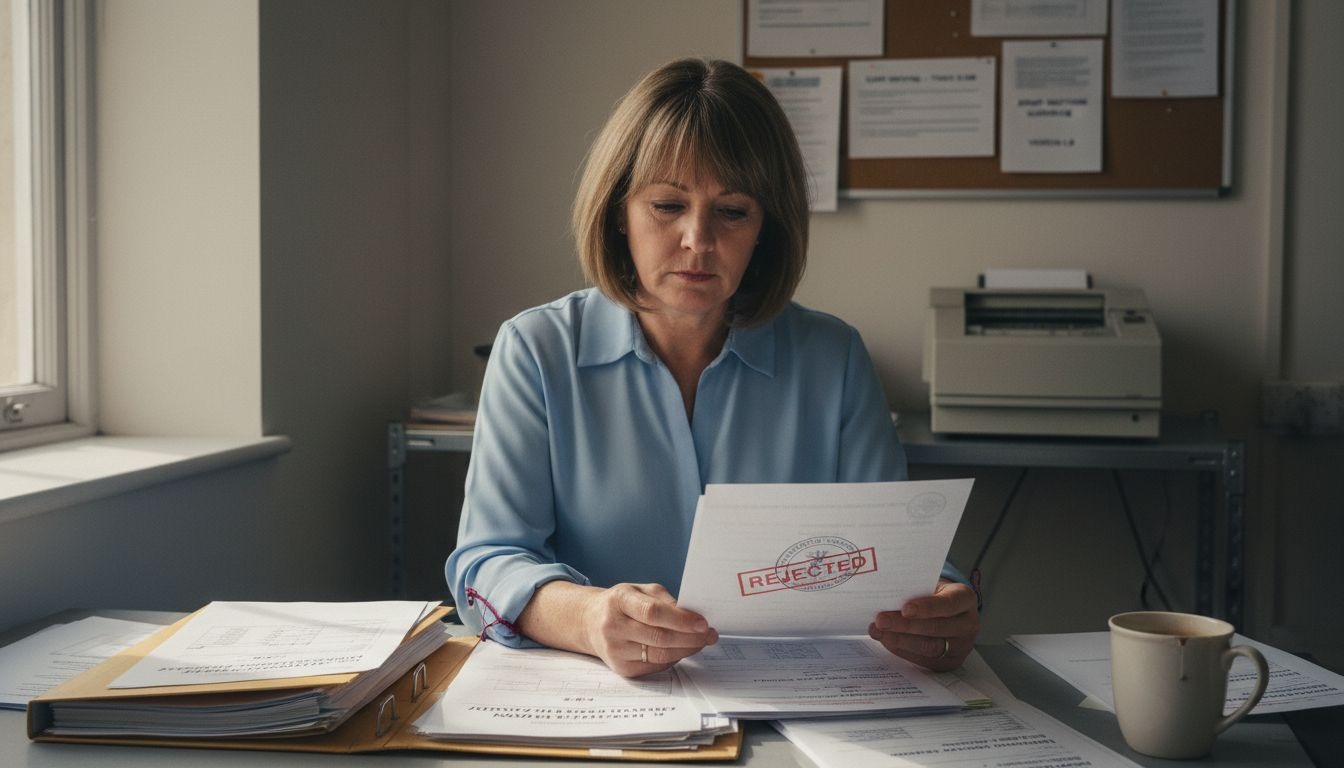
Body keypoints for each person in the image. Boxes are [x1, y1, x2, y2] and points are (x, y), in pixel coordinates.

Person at [446, 58, 979, 678]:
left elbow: (894, 557)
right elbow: (486, 563)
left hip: (794, 699)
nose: (698, 239)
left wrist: (940, 602)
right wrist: (591, 617)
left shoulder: (833, 359)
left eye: (732, 211)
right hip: (599, 702)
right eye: (668, 205)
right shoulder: (537, 350)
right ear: (620, 211)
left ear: (766, 230)